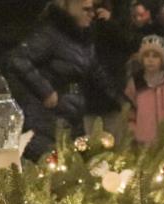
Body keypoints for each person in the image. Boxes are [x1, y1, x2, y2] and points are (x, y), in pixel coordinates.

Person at [8, 0, 120, 160]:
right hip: (46, 120)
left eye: (93, 10)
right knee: (48, 166)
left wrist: (122, 103)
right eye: (86, 10)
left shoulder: (83, 41)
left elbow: (98, 74)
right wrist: (45, 91)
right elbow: (18, 59)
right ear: (70, 8)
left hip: (73, 116)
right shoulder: (50, 34)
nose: (92, 14)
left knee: (73, 170)